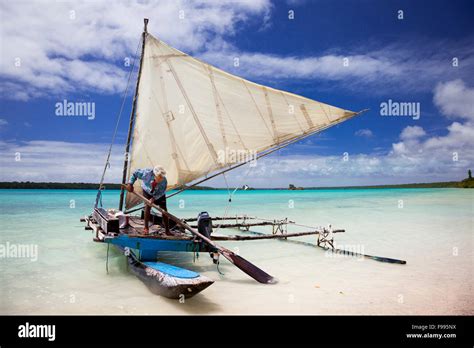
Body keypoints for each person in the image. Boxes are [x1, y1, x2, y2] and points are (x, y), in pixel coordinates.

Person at [126, 165, 170, 235]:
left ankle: (167, 230)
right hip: (147, 190)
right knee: (147, 206)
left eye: (162, 177)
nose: (161, 179)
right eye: (159, 177)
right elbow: (135, 174)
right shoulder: (146, 173)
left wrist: (154, 198)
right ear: (154, 174)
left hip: (159, 194)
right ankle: (146, 228)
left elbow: (162, 192)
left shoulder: (164, 181)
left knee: (164, 210)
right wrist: (130, 184)